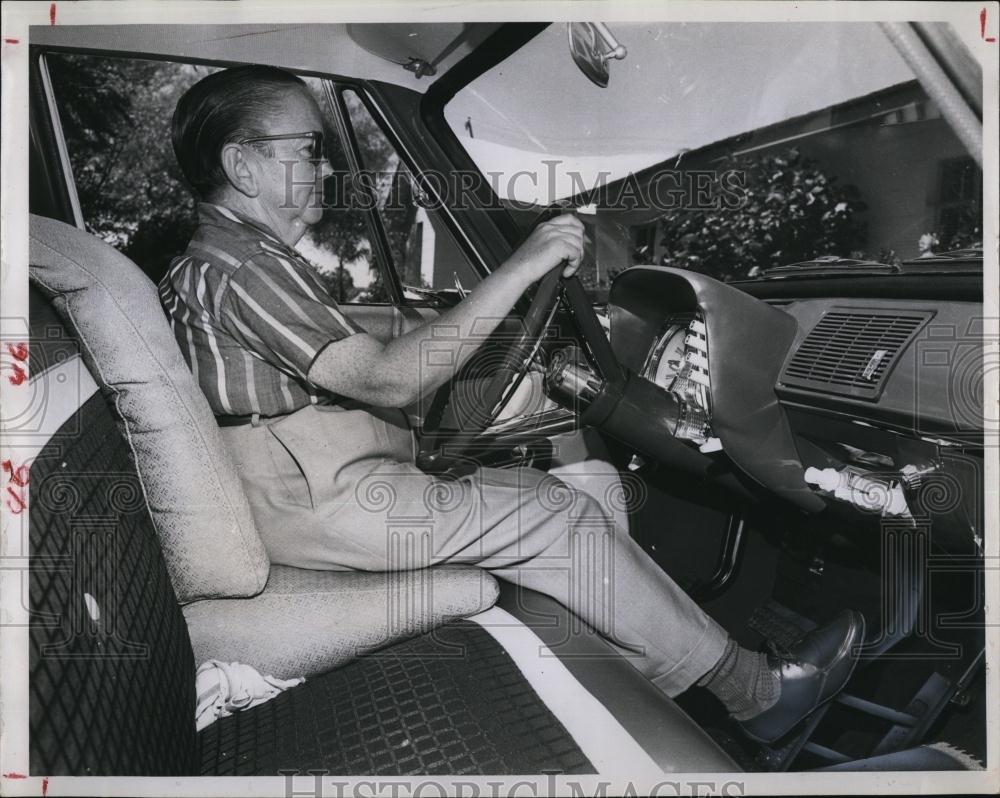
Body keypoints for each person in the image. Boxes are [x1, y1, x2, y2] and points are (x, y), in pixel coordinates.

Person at [159, 65, 864, 744]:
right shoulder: (244, 269)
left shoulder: (233, 261)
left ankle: (641, 686)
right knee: (551, 513)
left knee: (539, 488)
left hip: (315, 487)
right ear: (242, 164)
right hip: (319, 504)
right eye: (311, 149)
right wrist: (521, 265)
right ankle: (755, 694)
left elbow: (352, 380)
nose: (328, 167)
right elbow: (388, 380)